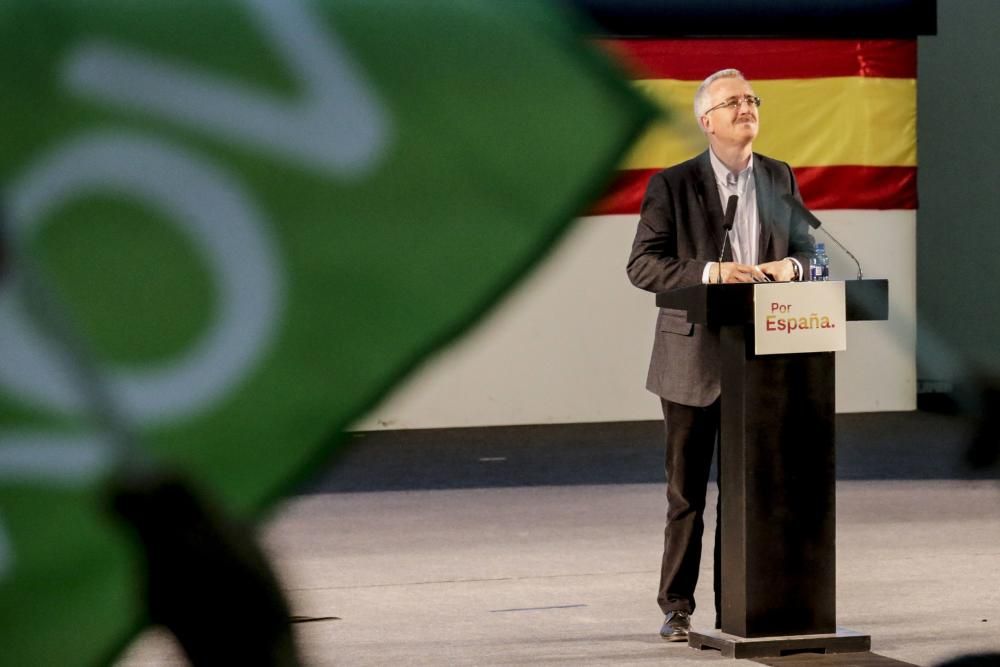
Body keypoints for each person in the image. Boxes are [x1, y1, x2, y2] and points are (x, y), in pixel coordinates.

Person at [626, 68, 815, 641]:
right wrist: (710, 272)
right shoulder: (673, 185)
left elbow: (811, 250)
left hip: (765, 361)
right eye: (732, 102)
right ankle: (676, 606)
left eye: (752, 99)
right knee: (687, 493)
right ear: (706, 121)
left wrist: (794, 267)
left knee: (749, 491)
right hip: (692, 362)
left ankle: (739, 603)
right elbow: (643, 265)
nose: (746, 108)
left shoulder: (779, 177)